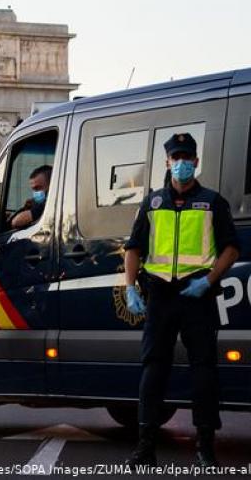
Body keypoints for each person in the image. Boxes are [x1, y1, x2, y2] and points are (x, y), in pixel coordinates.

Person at [123, 133, 239, 469]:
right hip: (160, 295)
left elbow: (231, 248)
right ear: (168, 162)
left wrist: (209, 280)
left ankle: (205, 446)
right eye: (177, 157)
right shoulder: (153, 203)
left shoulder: (212, 202)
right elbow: (133, 249)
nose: (182, 163)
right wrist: (131, 287)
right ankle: (145, 448)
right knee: (153, 369)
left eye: (187, 157)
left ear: (196, 162)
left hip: (196, 296)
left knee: (204, 369)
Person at [10, 165, 52, 229]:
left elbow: (16, 222)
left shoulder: (47, 206)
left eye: (38, 188)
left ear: (51, 185)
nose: (35, 193)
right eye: (34, 190)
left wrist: (35, 210)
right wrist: (26, 208)